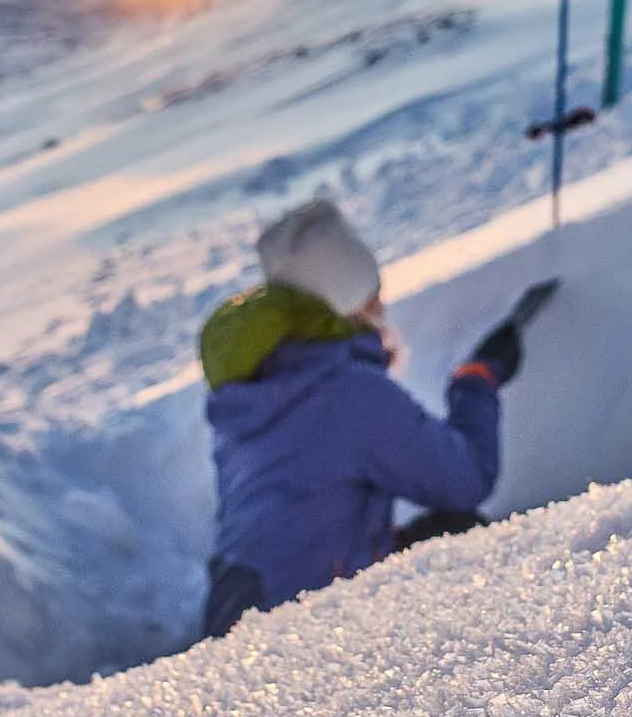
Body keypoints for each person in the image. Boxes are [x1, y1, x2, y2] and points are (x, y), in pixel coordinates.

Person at [197, 199, 525, 638]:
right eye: (374, 296)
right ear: (351, 307)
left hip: (231, 613)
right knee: (461, 534)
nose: (383, 308)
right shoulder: (346, 391)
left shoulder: (255, 393)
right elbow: (464, 481)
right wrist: (477, 382)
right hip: (296, 626)